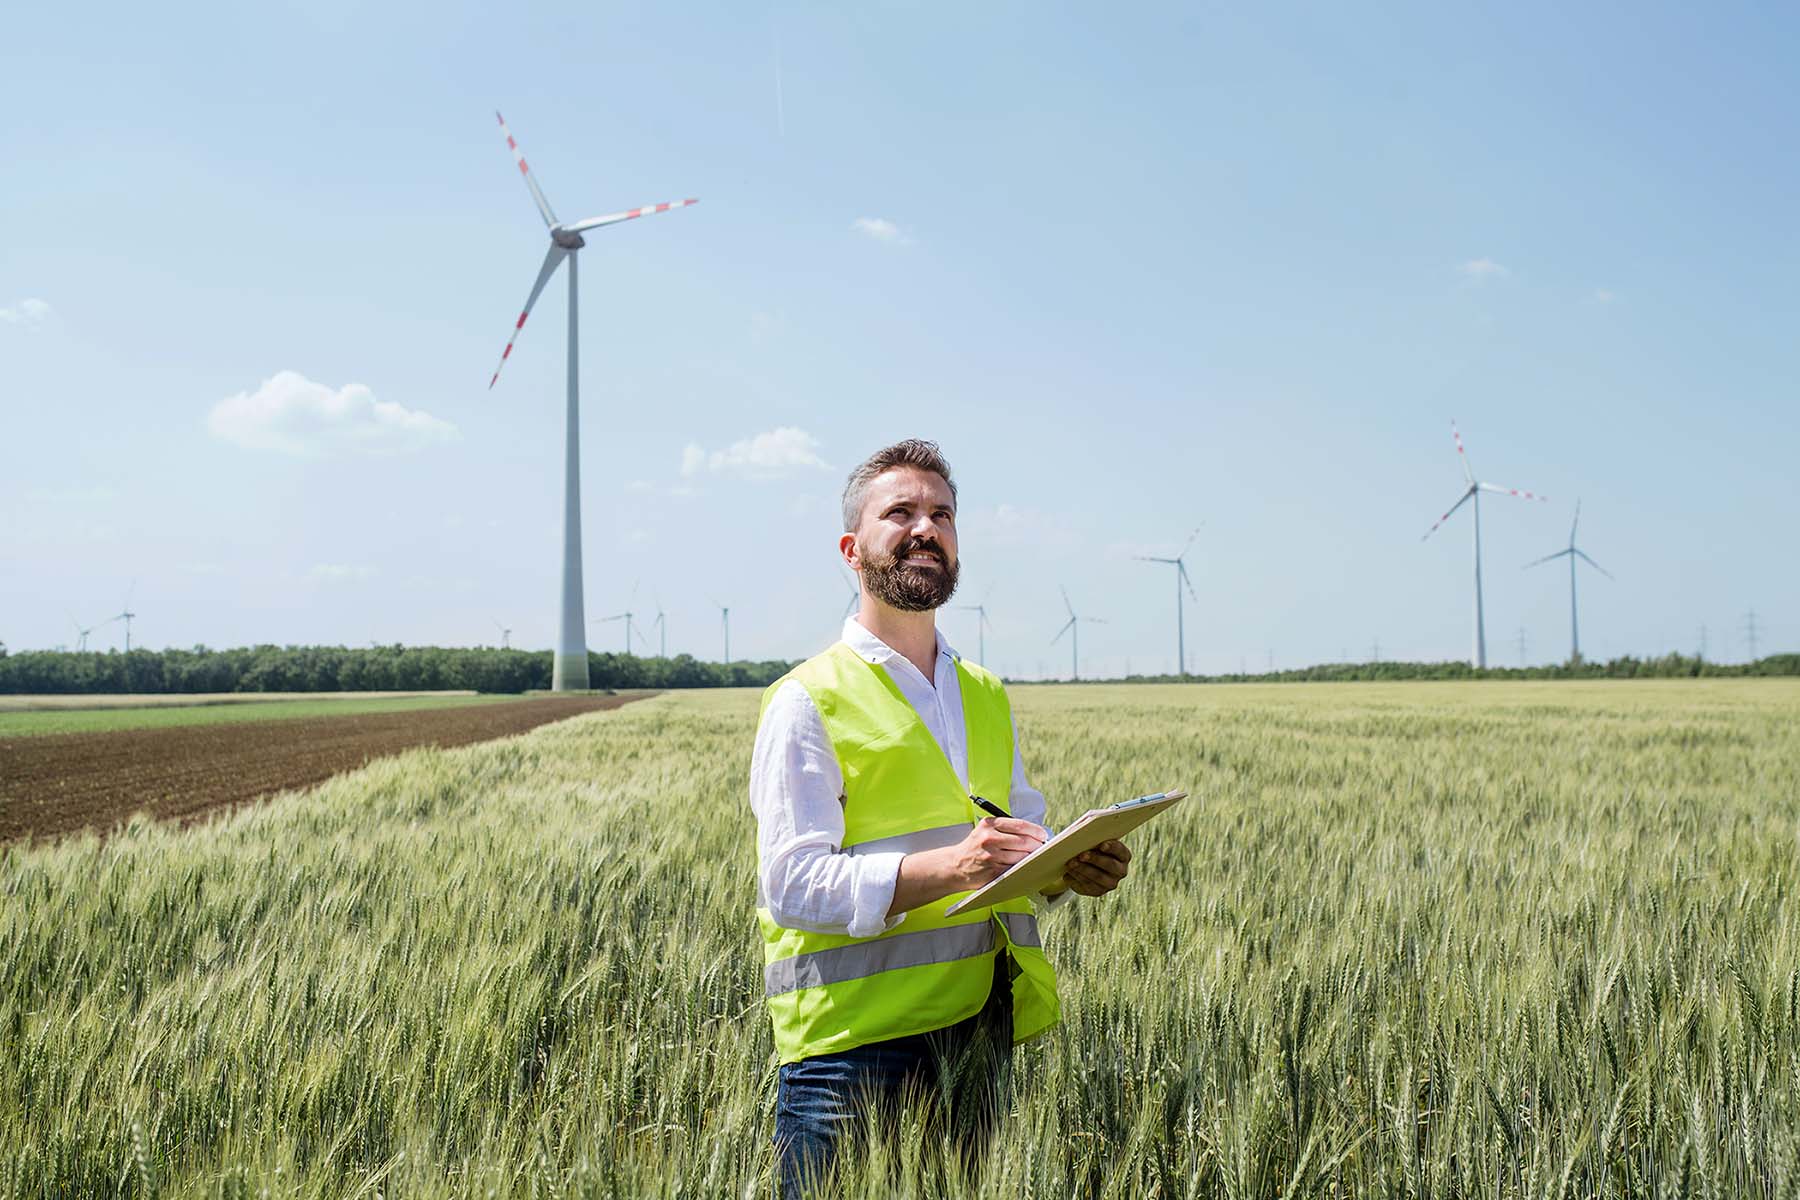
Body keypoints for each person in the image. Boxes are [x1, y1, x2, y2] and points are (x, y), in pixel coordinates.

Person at [749, 438, 1133, 1196]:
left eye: (943, 515)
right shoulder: (807, 699)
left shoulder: (984, 692)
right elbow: (790, 886)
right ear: (852, 551)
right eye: (901, 512)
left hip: (977, 1031)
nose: (926, 528)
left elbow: (1016, 837)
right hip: (853, 1051)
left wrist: (1067, 870)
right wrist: (955, 867)